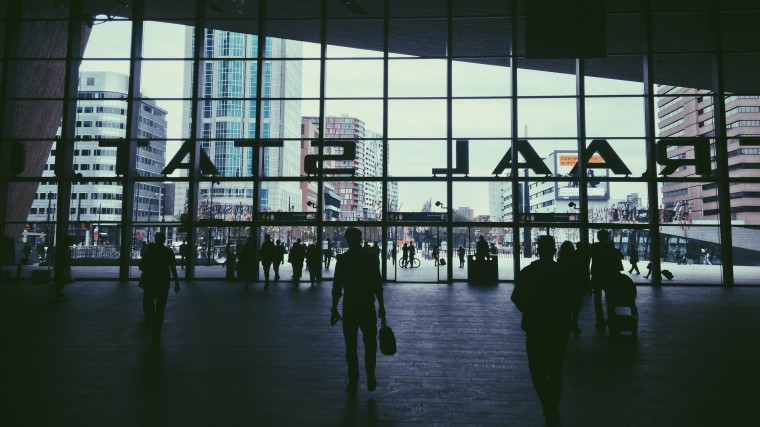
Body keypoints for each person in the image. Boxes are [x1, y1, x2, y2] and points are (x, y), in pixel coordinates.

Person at [511, 235, 574, 426]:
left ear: (538, 250)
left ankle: (548, 407)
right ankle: (552, 407)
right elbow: (575, 297)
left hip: (536, 326)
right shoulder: (563, 272)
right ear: (554, 250)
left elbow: (517, 297)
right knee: (555, 369)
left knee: (537, 371)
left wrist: (530, 310)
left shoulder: (529, 272)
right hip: (559, 326)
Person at [331, 227, 386, 395]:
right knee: (370, 343)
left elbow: (337, 287)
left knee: (351, 345)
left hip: (350, 307)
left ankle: (353, 379)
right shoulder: (370, 259)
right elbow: (378, 285)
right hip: (367, 306)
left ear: (348, 240)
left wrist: (334, 308)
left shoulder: (343, 260)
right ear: (360, 239)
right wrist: (382, 307)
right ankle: (370, 373)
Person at [138, 232, 180, 341]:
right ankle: (157, 329)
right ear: (164, 240)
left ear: (155, 239)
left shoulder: (150, 251)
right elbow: (173, 268)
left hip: (150, 281)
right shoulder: (168, 252)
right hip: (163, 281)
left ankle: (153, 321)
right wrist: (176, 282)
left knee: (148, 304)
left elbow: (141, 266)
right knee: (160, 307)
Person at [589, 230, 620, 328]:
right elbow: (619, 256)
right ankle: (611, 319)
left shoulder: (594, 247)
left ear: (598, 237)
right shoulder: (610, 248)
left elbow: (586, 256)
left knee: (597, 300)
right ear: (607, 237)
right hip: (608, 277)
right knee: (610, 299)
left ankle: (600, 320)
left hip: (596, 276)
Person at [557, 241, 585, 334]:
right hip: (575, 285)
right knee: (575, 307)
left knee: (565, 306)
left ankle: (565, 324)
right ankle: (575, 325)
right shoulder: (576, 259)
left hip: (564, 285)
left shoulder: (560, 260)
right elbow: (580, 272)